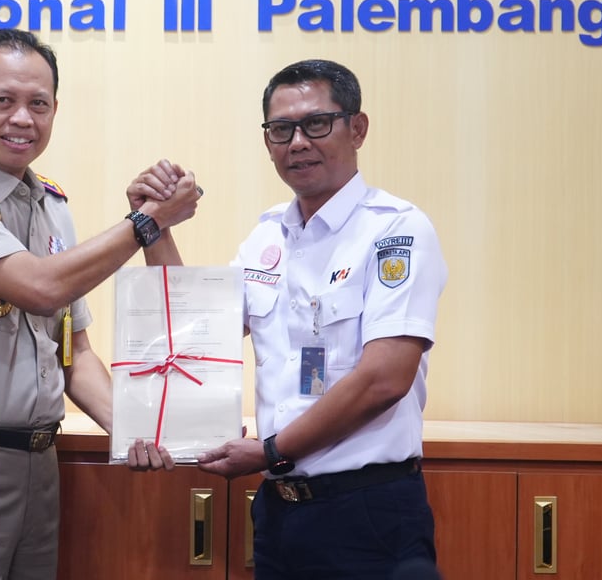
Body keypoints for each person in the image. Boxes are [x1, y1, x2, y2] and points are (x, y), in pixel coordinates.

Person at [0, 28, 201, 580]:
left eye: (39, 104)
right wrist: (146, 222)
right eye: (3, 100)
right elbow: (39, 287)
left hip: (37, 465)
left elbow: (73, 352)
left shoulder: (52, 206)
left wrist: (134, 428)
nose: (22, 118)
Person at [135, 59, 448, 580]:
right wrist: (153, 224)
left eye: (316, 124)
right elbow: (196, 328)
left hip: (367, 511)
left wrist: (270, 451)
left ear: (358, 129)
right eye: (281, 130)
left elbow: (385, 379)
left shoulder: (396, 230)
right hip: (279, 513)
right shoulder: (268, 235)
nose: (298, 142)